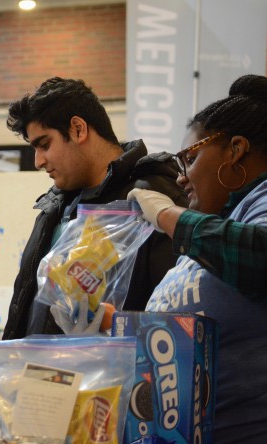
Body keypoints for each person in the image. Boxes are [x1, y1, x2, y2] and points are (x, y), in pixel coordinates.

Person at [128, 74, 267, 443]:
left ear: (236, 150)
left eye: (189, 159)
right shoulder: (218, 225)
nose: (182, 178)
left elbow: (261, 254)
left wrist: (168, 216)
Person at [2, 77, 188, 339]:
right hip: (36, 372)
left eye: (44, 145)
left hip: (112, 375)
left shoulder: (154, 199)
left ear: (78, 129)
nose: (38, 161)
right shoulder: (54, 206)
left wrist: (116, 326)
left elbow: (178, 318)